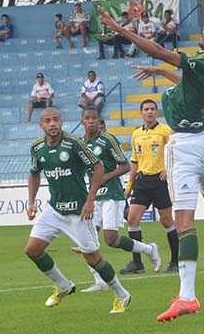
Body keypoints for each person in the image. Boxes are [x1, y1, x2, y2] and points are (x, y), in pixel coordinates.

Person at [100, 6, 204, 322]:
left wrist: (122, 31)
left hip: (184, 146)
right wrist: (163, 75)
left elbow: (161, 51)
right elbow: (197, 83)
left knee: (184, 221)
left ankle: (188, 297)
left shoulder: (202, 61)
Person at [24, 107, 131, 312]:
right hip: (54, 210)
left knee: (93, 258)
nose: (52, 124)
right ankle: (63, 285)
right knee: (32, 250)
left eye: (56, 119)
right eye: (48, 121)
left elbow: (98, 167)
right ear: (42, 125)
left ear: (61, 122)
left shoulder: (74, 143)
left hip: (79, 212)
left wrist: (91, 200)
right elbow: (34, 173)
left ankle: (121, 293)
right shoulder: (37, 147)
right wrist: (31, 202)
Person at [78, 108, 163, 292]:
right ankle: (99, 282)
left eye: (94, 118)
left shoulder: (108, 140)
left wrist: (105, 177)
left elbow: (125, 166)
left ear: (98, 121)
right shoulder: (81, 143)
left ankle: (149, 249)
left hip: (111, 194)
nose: (91, 121)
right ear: (82, 122)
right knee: (87, 239)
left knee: (110, 239)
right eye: (87, 118)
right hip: (94, 196)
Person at [118, 100, 178, 275]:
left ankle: (175, 261)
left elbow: (176, 151)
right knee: (132, 219)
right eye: (146, 109)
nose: (149, 112)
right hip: (142, 182)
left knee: (167, 221)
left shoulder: (165, 131)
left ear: (156, 112)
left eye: (152, 109)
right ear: (141, 113)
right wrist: (129, 186)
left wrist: (168, 168)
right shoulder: (136, 134)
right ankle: (137, 264)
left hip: (160, 182)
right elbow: (134, 162)